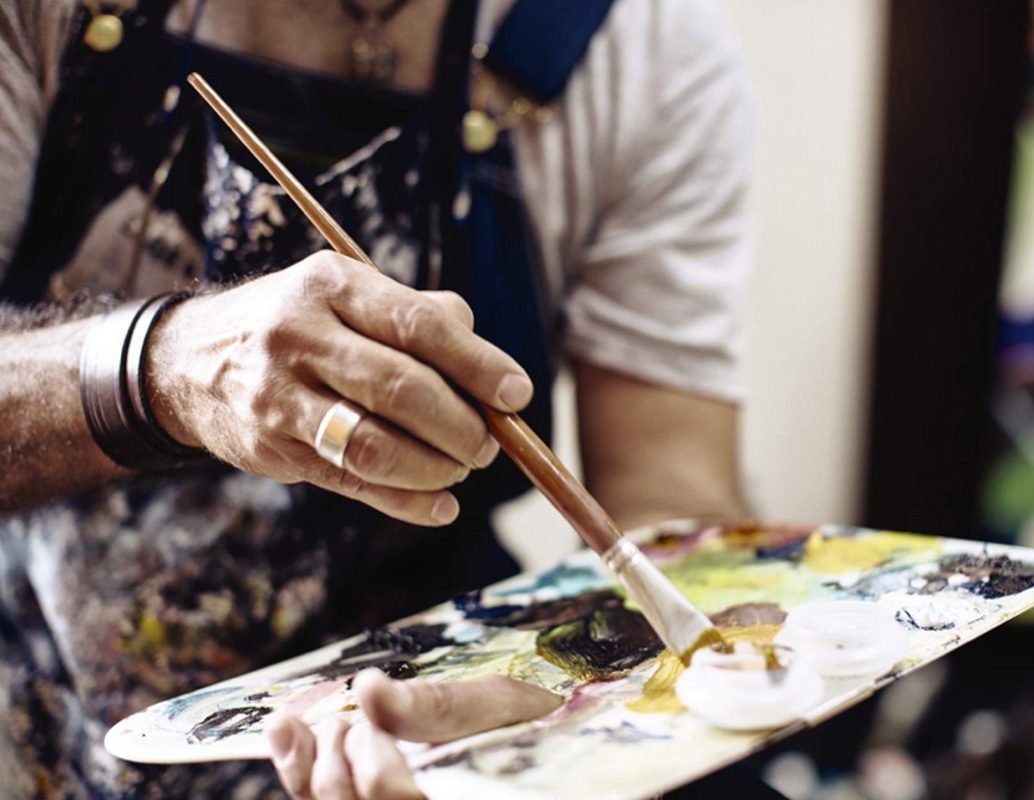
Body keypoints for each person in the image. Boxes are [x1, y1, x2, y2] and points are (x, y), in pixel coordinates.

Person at [0, 0, 751, 797]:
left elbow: (669, 504)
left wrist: (567, 704)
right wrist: (156, 371)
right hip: (38, 705)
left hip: (435, 684)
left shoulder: (639, 49)